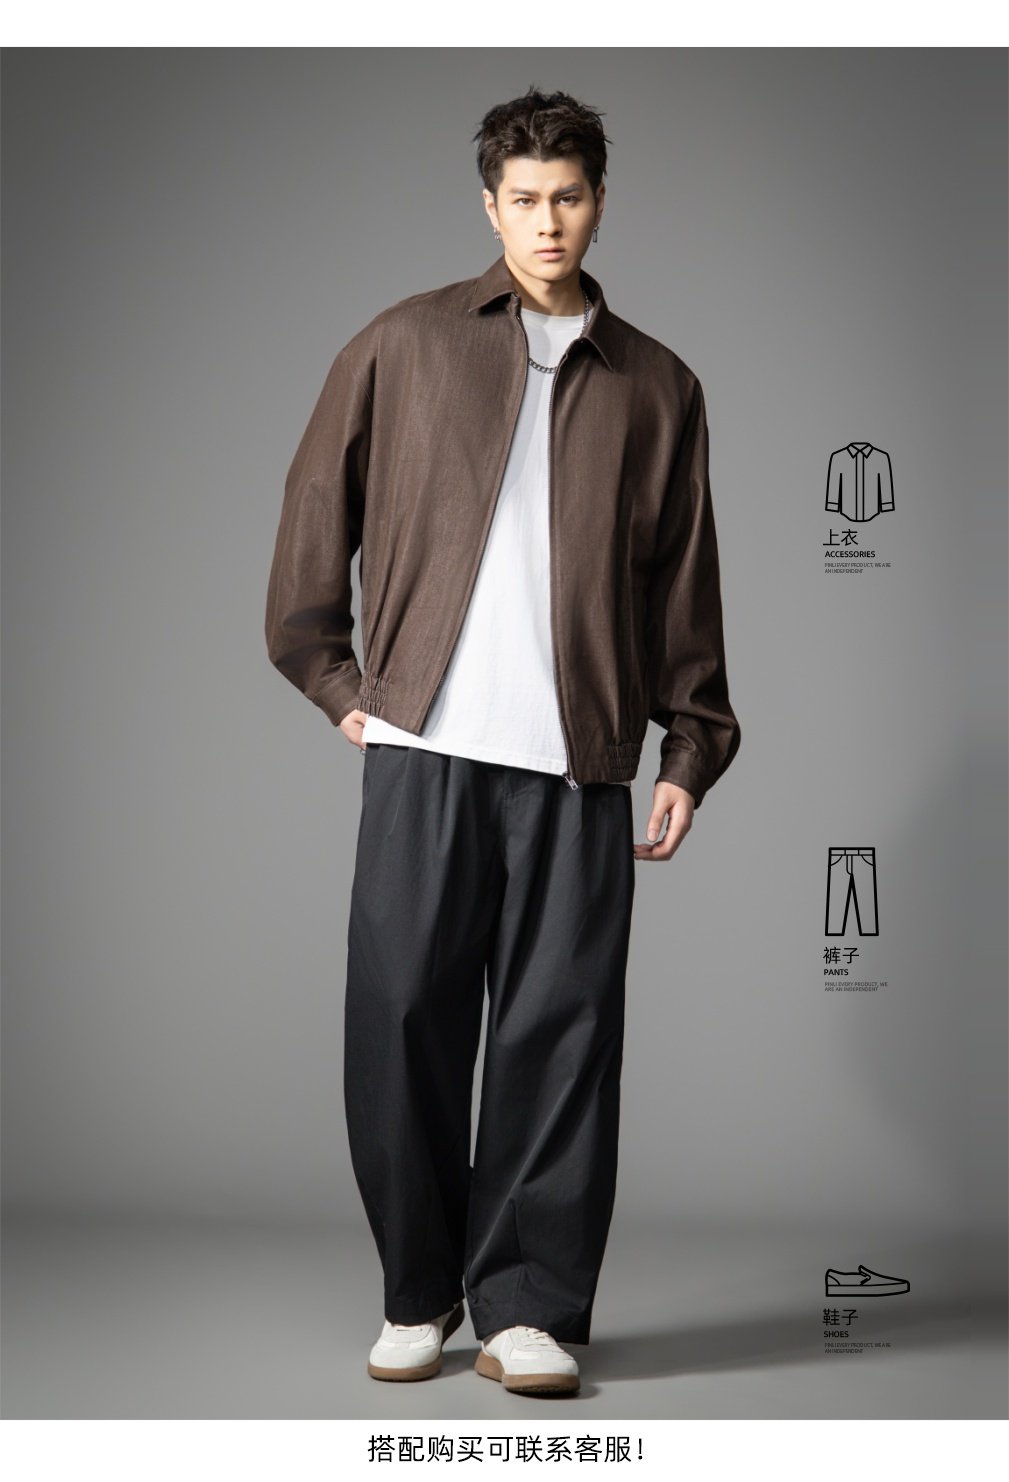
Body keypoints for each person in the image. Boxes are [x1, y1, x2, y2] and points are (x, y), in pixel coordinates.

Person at [265, 86, 741, 1398]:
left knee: (560, 1035)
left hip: (579, 763)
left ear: (599, 201)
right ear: (489, 206)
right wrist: (336, 679)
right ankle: (419, 1289)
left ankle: (527, 1305)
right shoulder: (404, 343)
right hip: (423, 744)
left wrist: (688, 750)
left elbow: (683, 585)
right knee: (401, 1022)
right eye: (524, 198)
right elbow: (315, 511)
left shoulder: (658, 385)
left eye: (568, 196)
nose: (547, 221)